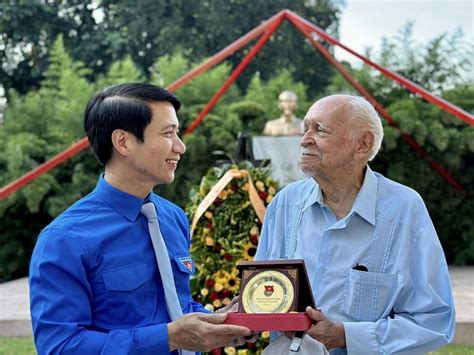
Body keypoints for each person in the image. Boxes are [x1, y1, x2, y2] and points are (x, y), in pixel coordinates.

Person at [29, 83, 251, 354]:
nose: (180, 147)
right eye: (168, 134)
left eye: (177, 133)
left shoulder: (173, 218)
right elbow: (60, 347)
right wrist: (168, 338)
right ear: (123, 142)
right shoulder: (65, 239)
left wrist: (219, 321)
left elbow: (176, 305)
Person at [255, 94, 455, 354]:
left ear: (362, 144)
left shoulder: (404, 209)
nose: (304, 139)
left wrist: (345, 336)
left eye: (320, 130)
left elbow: (434, 321)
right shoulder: (285, 203)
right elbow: (261, 293)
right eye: (306, 129)